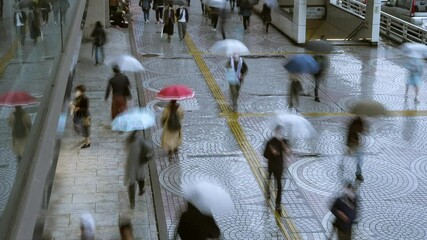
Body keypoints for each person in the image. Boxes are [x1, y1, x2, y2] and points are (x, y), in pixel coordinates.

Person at [263, 126, 289, 214]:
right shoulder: (270, 142)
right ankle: (267, 191)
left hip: (279, 167)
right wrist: (272, 152)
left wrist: (283, 145)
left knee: (279, 185)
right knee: (269, 178)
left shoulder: (284, 141)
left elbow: (288, 152)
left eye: (280, 132)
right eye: (278, 131)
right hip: (271, 166)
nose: (279, 133)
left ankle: (278, 203)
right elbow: (265, 155)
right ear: (275, 132)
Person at [124, 131, 153, 209]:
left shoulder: (128, 140)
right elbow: (149, 147)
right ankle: (141, 189)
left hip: (130, 165)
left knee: (132, 182)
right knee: (140, 178)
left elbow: (126, 148)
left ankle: (132, 202)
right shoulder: (139, 139)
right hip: (139, 163)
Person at [346, 116, 366, 182]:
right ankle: (358, 174)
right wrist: (350, 147)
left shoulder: (359, 122)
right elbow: (351, 135)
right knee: (359, 159)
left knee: (359, 159)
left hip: (354, 144)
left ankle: (358, 173)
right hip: (353, 144)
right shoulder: (355, 124)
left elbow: (361, 131)